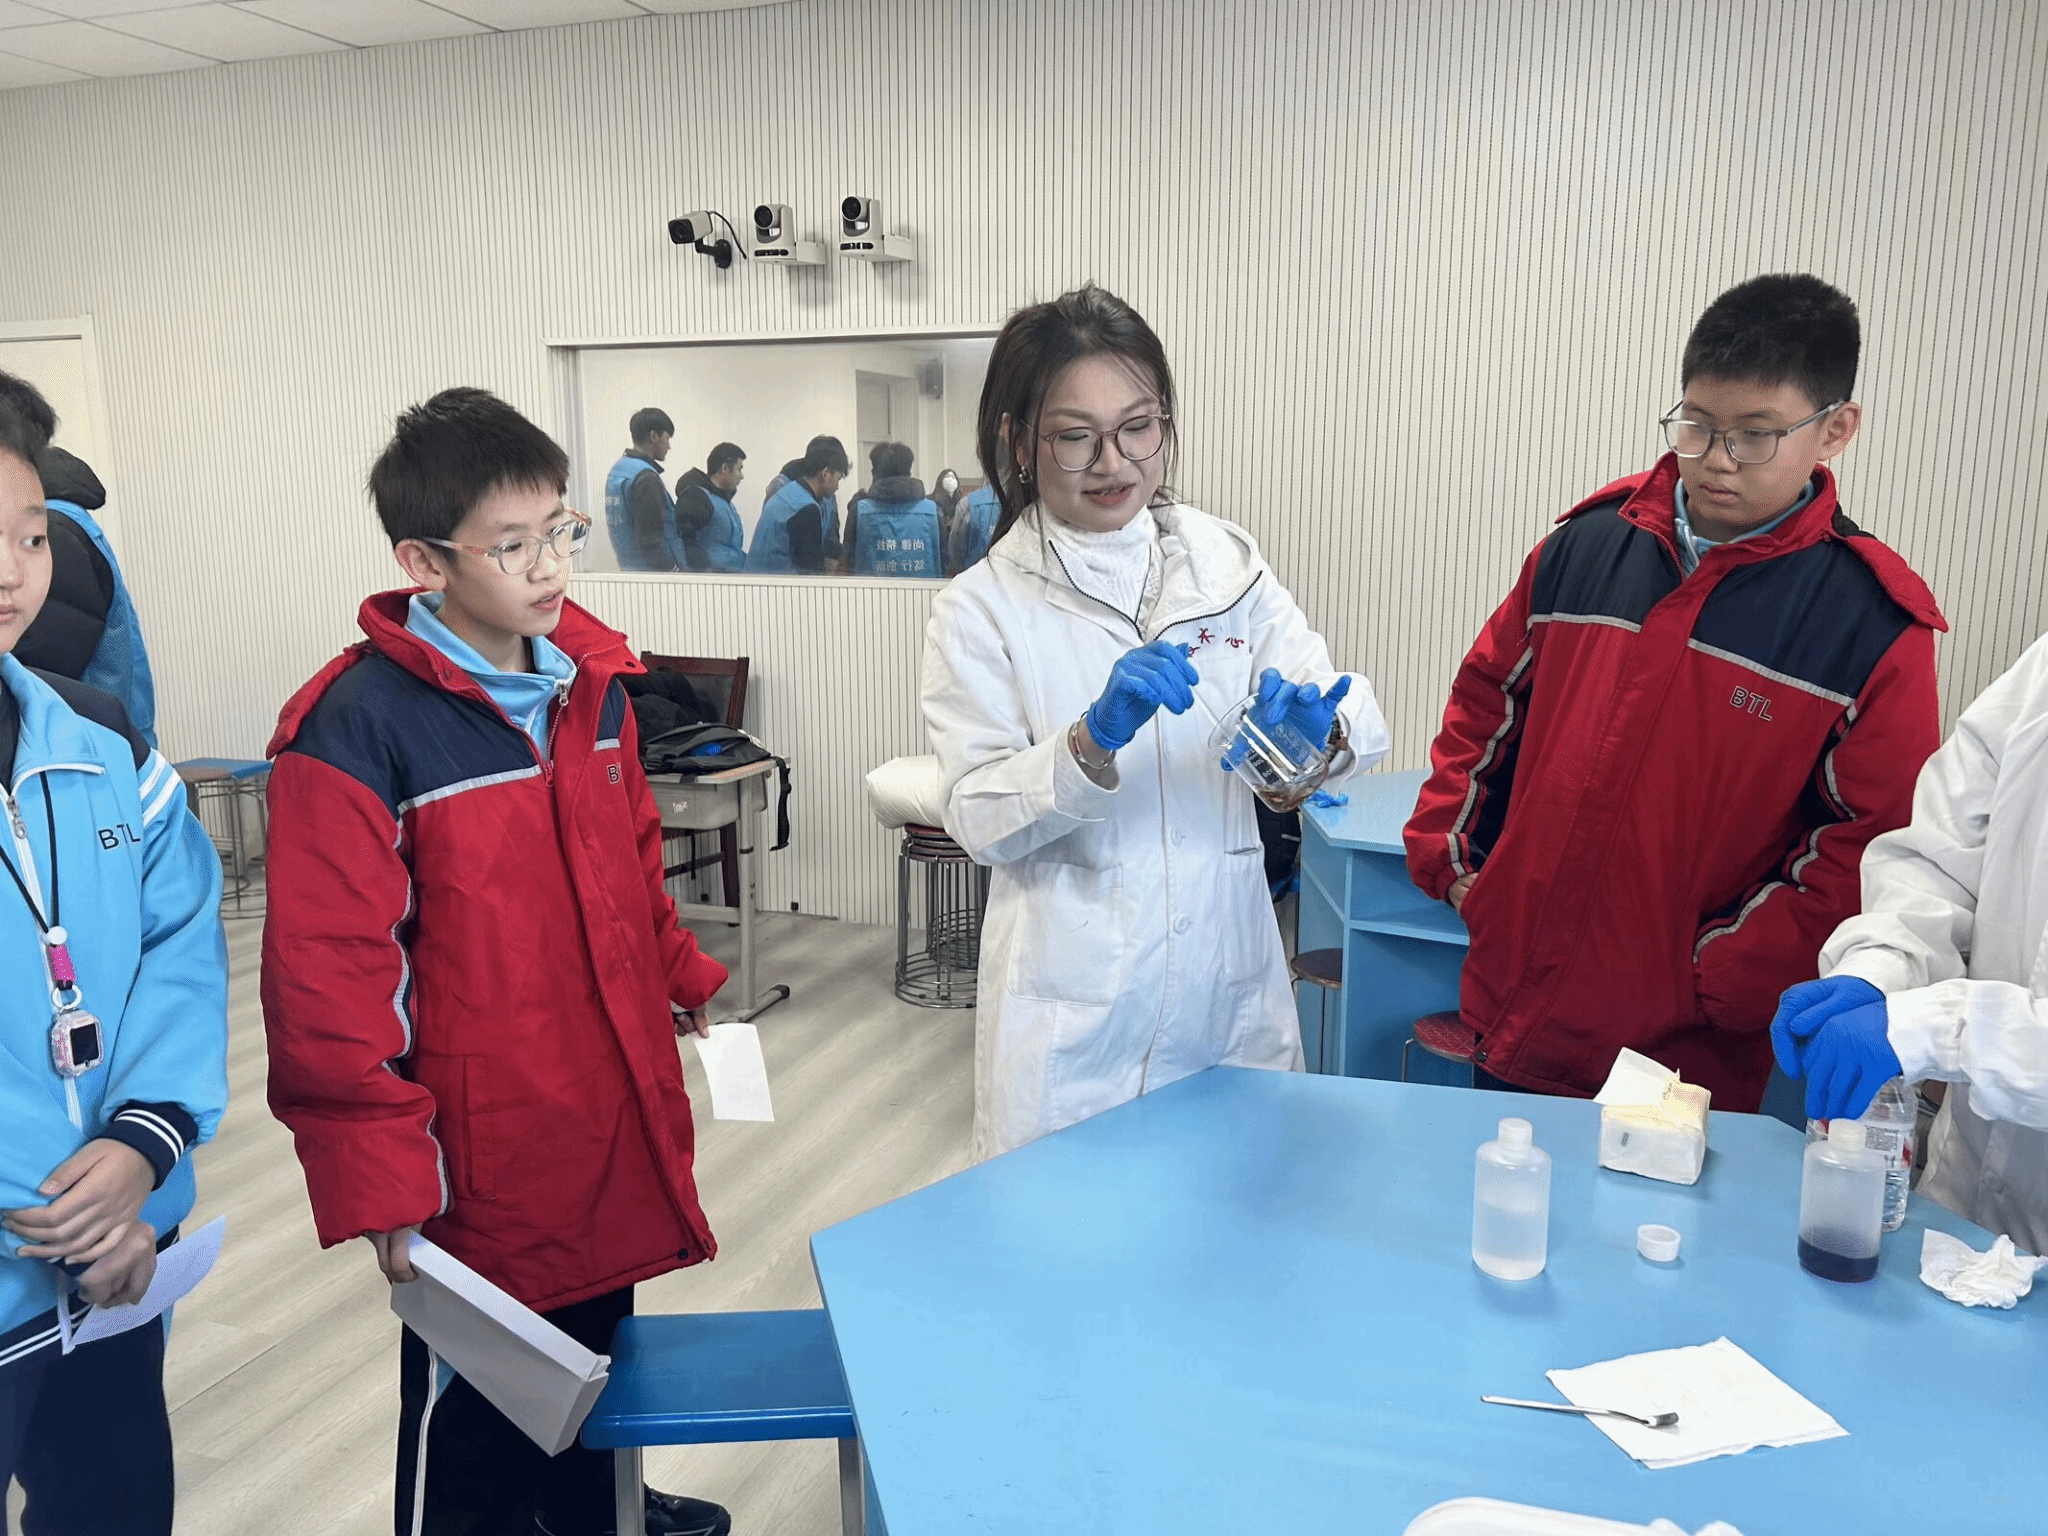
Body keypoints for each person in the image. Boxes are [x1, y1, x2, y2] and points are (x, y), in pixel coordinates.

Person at [260, 388, 731, 1536]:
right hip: (479, 1145)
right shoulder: (357, 727)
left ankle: (596, 1507)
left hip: (601, 1100)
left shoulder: (591, 685)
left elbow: (629, 868)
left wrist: (678, 976)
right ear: (423, 562)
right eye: (511, 545)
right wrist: (378, 1176)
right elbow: (329, 980)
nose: (549, 565)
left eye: (560, 530)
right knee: (484, 1413)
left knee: (598, 1347)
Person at [1403, 273, 1944, 1111]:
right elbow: (1486, 707)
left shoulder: (1870, 622)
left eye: (1756, 435)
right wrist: (1456, 859)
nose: (1718, 459)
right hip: (1513, 1003)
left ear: (1836, 429)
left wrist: (1721, 972)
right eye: (1697, 424)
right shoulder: (1587, 546)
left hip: (1682, 1053)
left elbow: (1868, 841)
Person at [922, 284, 1389, 1160]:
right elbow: (978, 816)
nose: (1115, 462)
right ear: (1019, 441)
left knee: (1236, 1219)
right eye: (1076, 436)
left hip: (1227, 999)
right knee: (1076, 1234)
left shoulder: (1228, 568)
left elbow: (1349, 717)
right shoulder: (982, 609)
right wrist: (1087, 742)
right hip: (1077, 1028)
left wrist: (1311, 734)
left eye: (1138, 426)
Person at [0, 387, 228, 1535]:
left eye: (32, 536)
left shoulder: (96, 740)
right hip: (54, 1243)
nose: (13, 574)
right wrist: (55, 1214)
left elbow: (177, 945)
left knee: (116, 1508)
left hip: (118, 1261)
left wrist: (145, 1144)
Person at [1771, 633, 2048, 1252]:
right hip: (1958, 1214)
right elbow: (1940, 858)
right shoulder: (2041, 674)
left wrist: (1934, 1031)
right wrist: (1879, 972)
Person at [11, 443, 160, 747]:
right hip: (103, 740)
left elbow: (45, 671)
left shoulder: (54, 533)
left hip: (88, 747)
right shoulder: (63, 522)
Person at [748, 436, 849, 574]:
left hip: (757, 577)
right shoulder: (807, 509)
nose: (837, 486)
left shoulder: (788, 492)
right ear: (825, 474)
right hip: (778, 581)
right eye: (838, 478)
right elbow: (810, 574)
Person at [843, 441, 944, 577]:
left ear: (875, 474)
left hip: (870, 591)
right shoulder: (933, 511)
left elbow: (848, 563)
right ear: (909, 472)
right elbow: (945, 561)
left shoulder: (859, 512)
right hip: (926, 591)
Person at [603, 407, 682, 571]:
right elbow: (651, 542)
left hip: (629, 569)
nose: (669, 446)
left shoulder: (619, 469)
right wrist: (673, 572)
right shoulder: (646, 478)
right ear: (654, 436)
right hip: (653, 574)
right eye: (667, 438)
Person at [672, 441, 747, 572]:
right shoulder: (697, 498)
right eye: (739, 469)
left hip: (729, 576)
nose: (742, 476)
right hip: (713, 580)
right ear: (725, 468)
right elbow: (685, 541)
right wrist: (703, 574)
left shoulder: (723, 502)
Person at [948, 479, 1000, 574]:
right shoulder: (1020, 503)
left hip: (974, 573)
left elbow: (956, 546)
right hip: (1009, 577)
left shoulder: (967, 503)